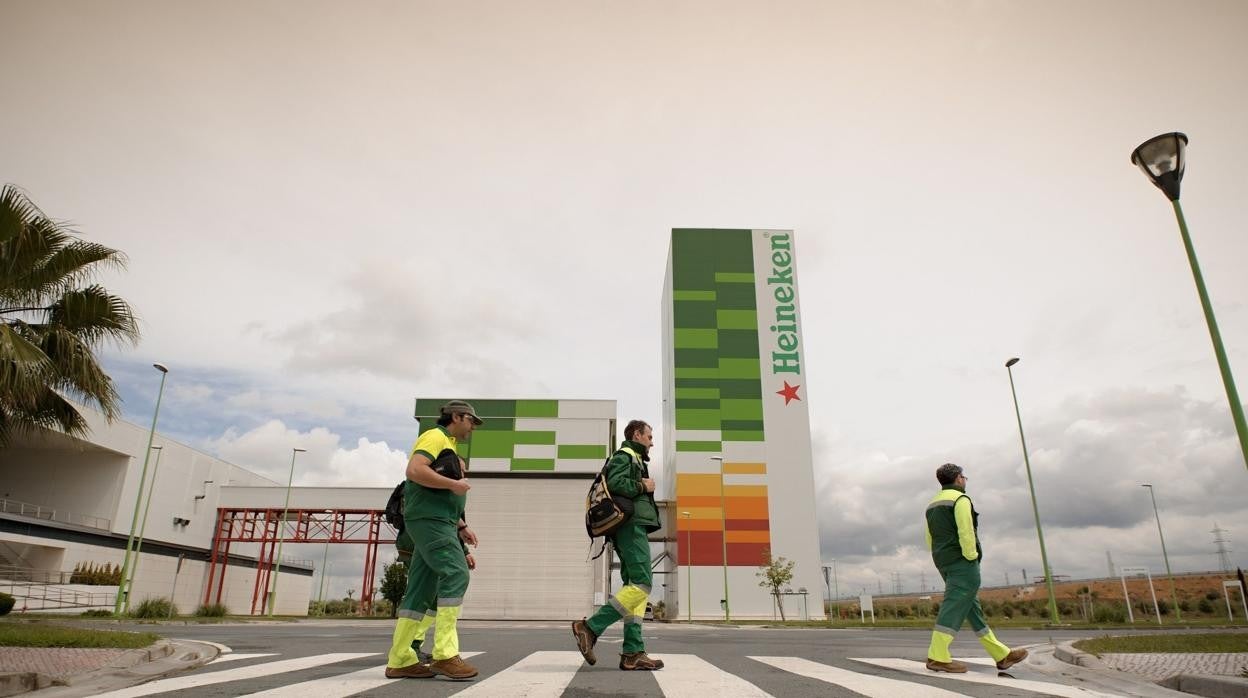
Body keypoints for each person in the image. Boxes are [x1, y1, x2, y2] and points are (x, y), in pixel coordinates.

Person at [385, 401, 481, 681]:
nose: (473, 426)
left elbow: (437, 487)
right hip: (430, 520)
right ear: (456, 417)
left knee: (420, 591)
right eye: (470, 420)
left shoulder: (447, 443)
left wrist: (461, 525)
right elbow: (414, 470)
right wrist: (454, 484)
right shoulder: (435, 436)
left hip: (439, 521)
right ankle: (445, 655)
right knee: (456, 573)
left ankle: (401, 658)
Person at [571, 419, 664, 671]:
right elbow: (616, 483)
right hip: (631, 525)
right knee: (643, 583)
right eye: (649, 436)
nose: (652, 442)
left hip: (629, 526)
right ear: (637, 434)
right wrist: (642, 485)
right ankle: (589, 627)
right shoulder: (626, 454)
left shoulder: (634, 457)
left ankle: (633, 652)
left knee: (634, 587)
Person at [924, 463, 1027, 673]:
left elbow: (929, 537)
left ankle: (1001, 655)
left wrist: (941, 556)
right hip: (962, 561)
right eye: (964, 477)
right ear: (958, 479)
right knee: (953, 605)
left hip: (942, 559)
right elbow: (966, 530)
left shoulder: (932, 504)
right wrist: (971, 556)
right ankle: (937, 656)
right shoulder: (960, 500)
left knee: (972, 608)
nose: (965, 480)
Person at [393, 455, 477, 665]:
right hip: (419, 542)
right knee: (450, 580)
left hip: (421, 542)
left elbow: (446, 520)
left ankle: (405, 652)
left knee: (425, 594)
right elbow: (437, 522)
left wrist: (463, 534)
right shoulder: (430, 483)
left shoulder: (440, 488)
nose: (463, 475)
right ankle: (443, 653)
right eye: (461, 469)